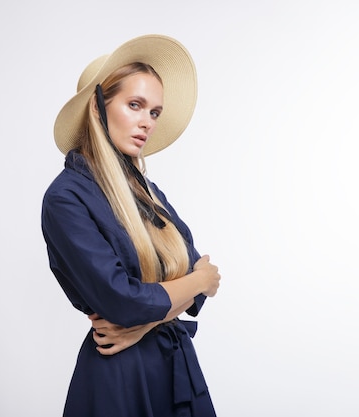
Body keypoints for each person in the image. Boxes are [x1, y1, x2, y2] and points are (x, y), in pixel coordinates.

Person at [41, 34, 222, 417]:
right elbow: (124, 300)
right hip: (120, 376)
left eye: (154, 112)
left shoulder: (147, 192)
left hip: (175, 368)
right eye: (135, 105)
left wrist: (142, 323)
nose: (147, 122)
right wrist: (198, 282)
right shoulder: (66, 198)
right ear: (98, 108)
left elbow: (192, 276)